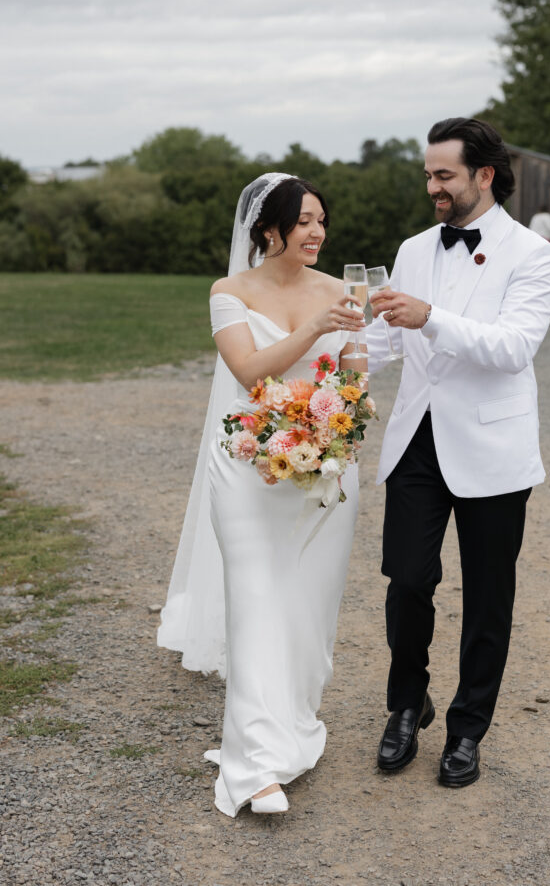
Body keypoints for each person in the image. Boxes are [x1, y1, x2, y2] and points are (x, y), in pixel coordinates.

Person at [158, 173, 366, 816]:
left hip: (325, 470)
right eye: (304, 221)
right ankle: (252, 768)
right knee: (254, 603)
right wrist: (315, 330)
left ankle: (293, 730)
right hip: (247, 466)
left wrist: (347, 413)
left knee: (308, 609)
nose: (317, 232)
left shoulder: (345, 290)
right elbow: (248, 371)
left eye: (322, 221)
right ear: (269, 230)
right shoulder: (229, 292)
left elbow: (355, 380)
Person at [367, 118, 550, 788]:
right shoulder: (414, 247)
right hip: (416, 440)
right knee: (407, 579)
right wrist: (329, 362)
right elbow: (386, 341)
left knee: (486, 598)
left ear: (484, 174)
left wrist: (431, 318)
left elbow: (512, 349)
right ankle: (404, 705)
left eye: (443, 174)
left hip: (492, 446)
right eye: (427, 174)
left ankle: (466, 730)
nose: (432, 187)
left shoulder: (532, 254)